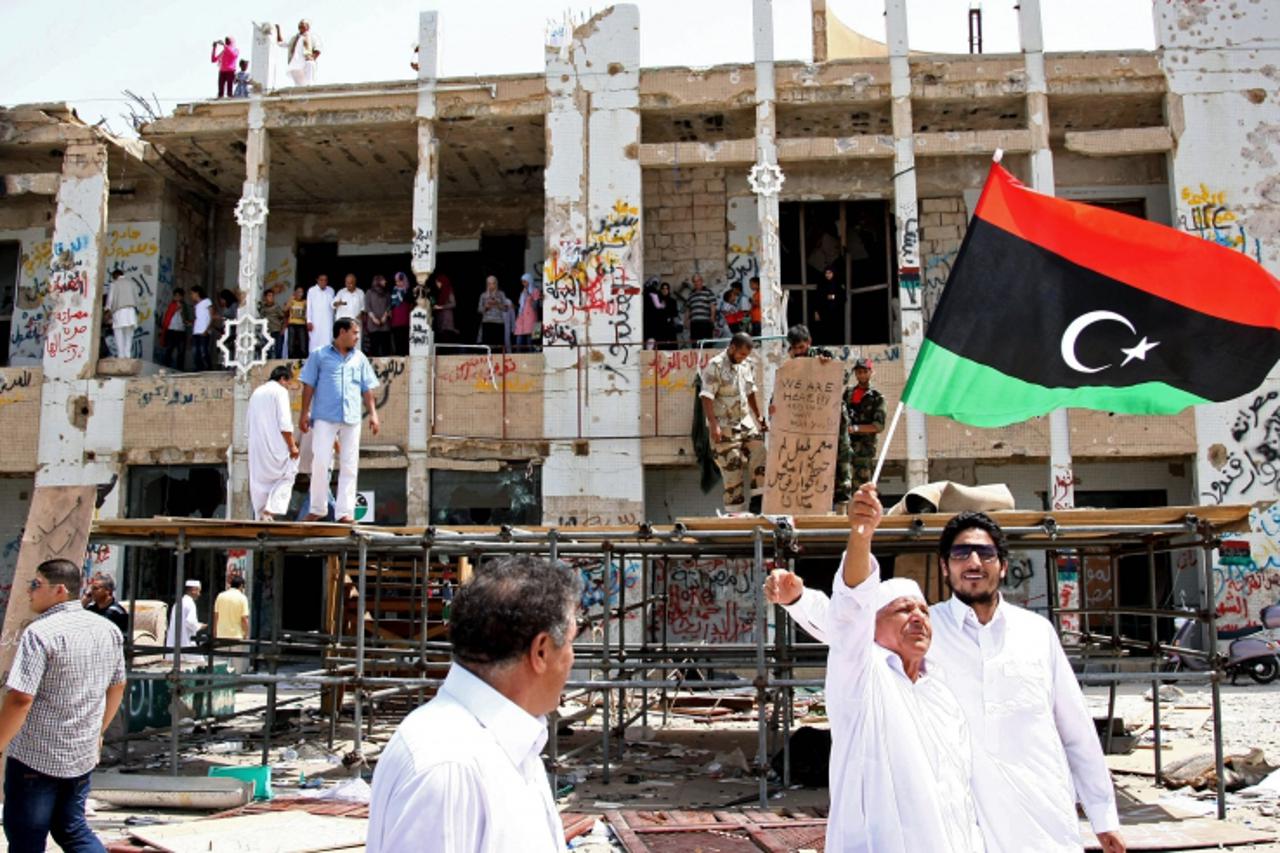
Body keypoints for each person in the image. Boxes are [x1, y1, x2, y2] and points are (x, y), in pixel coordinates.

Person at [767, 509, 1127, 853]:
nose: (973, 563)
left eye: (985, 553)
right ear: (944, 567)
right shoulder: (924, 635)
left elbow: (1075, 729)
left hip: (1041, 817)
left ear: (1002, 566)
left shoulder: (1036, 632)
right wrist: (799, 599)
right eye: (960, 554)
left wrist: (1103, 814)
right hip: (967, 824)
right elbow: (848, 627)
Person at [796, 486, 984, 851]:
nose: (918, 617)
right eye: (902, 610)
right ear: (872, 626)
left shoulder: (941, 692)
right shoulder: (864, 677)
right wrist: (862, 533)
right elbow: (848, 611)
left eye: (924, 611)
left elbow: (958, 792)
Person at [368, 556, 580, 852]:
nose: (572, 658)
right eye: (571, 642)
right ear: (541, 652)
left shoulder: (509, 746)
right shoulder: (449, 766)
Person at [0, 559, 126, 853]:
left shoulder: (40, 632)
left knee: (26, 839)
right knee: (72, 829)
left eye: (36, 585)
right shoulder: (106, 629)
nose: (29, 591)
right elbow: (118, 686)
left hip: (36, 757)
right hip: (80, 755)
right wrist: (98, 732)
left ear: (59, 590)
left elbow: (21, 698)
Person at [299, 317, 381, 523]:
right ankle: (317, 508)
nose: (357, 337)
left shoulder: (360, 358)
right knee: (320, 462)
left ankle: (345, 513)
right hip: (324, 417)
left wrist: (373, 413)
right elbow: (308, 385)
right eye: (354, 333)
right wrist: (304, 413)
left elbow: (367, 388)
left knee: (350, 464)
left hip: (352, 417)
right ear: (342, 332)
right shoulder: (319, 355)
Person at [777, 324, 852, 510]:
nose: (798, 352)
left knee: (841, 461)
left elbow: (842, 377)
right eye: (794, 348)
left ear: (809, 343)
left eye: (801, 347)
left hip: (832, 419)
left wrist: (825, 365)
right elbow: (783, 390)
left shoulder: (822, 355)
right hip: (806, 424)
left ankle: (842, 508)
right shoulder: (790, 364)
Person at [699, 332, 767, 513]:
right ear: (732, 347)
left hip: (745, 422)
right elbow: (706, 397)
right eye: (741, 354)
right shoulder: (715, 366)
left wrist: (759, 416)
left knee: (760, 452)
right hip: (725, 426)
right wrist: (713, 425)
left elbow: (750, 391)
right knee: (733, 471)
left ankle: (758, 501)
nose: (743, 358)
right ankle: (735, 514)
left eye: (746, 355)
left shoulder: (745, 365)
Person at [247, 365, 300, 521]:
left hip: (256, 447)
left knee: (259, 482)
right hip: (276, 446)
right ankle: (270, 510)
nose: (288, 388)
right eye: (289, 383)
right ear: (283, 379)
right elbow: (285, 423)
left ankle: (261, 515)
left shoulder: (256, 392)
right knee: (289, 472)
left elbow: (247, 423)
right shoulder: (279, 391)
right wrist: (292, 446)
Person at [846, 357, 886, 490]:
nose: (861, 375)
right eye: (858, 372)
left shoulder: (877, 397)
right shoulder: (848, 393)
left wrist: (856, 428)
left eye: (864, 371)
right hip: (846, 447)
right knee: (845, 484)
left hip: (864, 450)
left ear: (871, 372)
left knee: (863, 485)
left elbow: (878, 426)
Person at [213, 574, 251, 674]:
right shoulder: (242, 598)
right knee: (237, 662)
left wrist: (215, 633)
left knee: (220, 662)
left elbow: (216, 616)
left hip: (221, 634)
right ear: (241, 586)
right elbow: (244, 619)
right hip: (236, 635)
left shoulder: (220, 596)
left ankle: (218, 684)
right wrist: (246, 634)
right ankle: (236, 684)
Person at [82, 571, 130, 636]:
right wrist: (83, 604)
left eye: (95, 588)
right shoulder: (90, 608)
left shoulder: (117, 612)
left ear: (108, 590)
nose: (91, 592)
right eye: (91, 588)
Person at [276, 20, 320, 87]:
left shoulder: (312, 37)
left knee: (310, 66)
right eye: (299, 24)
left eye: (302, 24)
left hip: (306, 62)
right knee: (299, 85)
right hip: (295, 63)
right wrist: (278, 30)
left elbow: (318, 49)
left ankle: (309, 87)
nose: (300, 25)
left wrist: (312, 58)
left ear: (307, 27)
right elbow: (281, 43)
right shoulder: (294, 38)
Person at [166, 579, 204, 653]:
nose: (199, 594)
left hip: (174, 645)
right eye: (198, 591)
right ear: (193, 590)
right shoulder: (190, 603)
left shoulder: (178, 603)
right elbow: (190, 622)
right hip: (186, 644)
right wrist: (200, 626)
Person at [107, 269, 138, 359]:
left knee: (118, 333)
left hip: (119, 311)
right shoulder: (132, 283)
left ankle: (121, 355)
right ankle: (127, 354)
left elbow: (110, 300)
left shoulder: (114, 284)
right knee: (129, 335)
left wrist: (108, 310)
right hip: (131, 312)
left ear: (114, 276)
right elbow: (137, 299)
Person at [812, 265, 846, 346]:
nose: (827, 275)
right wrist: (816, 312)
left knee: (836, 331)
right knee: (823, 331)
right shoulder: (821, 284)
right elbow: (817, 298)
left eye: (830, 273)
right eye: (826, 273)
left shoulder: (838, 284)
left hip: (836, 313)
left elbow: (843, 297)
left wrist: (833, 297)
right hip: (824, 313)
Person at [477, 276, 511, 349]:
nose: (491, 286)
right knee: (487, 346)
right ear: (487, 284)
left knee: (498, 347)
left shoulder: (501, 294)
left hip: (499, 323)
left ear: (496, 284)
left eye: (493, 283)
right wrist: (486, 307)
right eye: (489, 284)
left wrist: (497, 303)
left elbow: (506, 308)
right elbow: (479, 310)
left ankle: (498, 360)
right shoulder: (483, 295)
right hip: (487, 322)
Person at [306, 274, 335, 353]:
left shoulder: (331, 290)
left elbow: (333, 306)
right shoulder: (312, 290)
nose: (323, 282)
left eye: (325, 280)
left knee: (328, 340)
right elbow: (309, 306)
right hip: (315, 322)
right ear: (317, 280)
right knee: (315, 341)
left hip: (328, 322)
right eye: (321, 280)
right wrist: (309, 321)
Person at [684, 274, 717, 343]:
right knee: (695, 344)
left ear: (701, 281)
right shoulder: (691, 294)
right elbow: (688, 309)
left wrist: (712, 317)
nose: (696, 283)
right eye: (694, 281)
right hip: (694, 324)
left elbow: (713, 306)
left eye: (698, 281)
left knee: (706, 344)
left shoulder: (708, 292)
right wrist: (686, 321)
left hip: (705, 323)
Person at [364, 275, 392, 357]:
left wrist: (384, 316)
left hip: (384, 323)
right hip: (373, 323)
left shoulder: (386, 292)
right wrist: (374, 318)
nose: (385, 282)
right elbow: (367, 306)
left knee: (385, 347)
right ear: (378, 281)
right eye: (383, 280)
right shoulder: (369, 292)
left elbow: (389, 305)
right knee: (374, 347)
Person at [159, 287, 186, 369]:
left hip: (181, 331)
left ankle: (179, 369)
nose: (177, 298)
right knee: (169, 350)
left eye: (179, 296)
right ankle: (166, 368)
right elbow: (167, 317)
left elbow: (187, 318)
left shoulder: (185, 306)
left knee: (181, 352)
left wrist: (181, 310)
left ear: (182, 297)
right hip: (171, 330)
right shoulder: (171, 305)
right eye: (175, 296)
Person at [513, 273, 541, 351]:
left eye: (525, 282)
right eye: (522, 282)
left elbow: (536, 306)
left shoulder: (535, 290)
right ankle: (518, 357)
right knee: (518, 338)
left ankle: (531, 357)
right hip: (522, 317)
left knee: (531, 339)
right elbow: (521, 305)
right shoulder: (523, 292)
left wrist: (530, 295)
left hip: (532, 317)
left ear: (529, 281)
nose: (523, 284)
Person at [390, 272, 413, 355]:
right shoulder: (394, 291)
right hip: (396, 320)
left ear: (404, 281)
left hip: (405, 320)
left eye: (400, 281)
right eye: (396, 281)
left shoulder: (408, 291)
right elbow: (391, 305)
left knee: (405, 339)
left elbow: (411, 305)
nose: (398, 283)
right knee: (397, 339)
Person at [190, 286, 213, 371]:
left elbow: (211, 316)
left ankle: (208, 368)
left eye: (192, 293)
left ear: (197, 293)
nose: (191, 295)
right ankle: (199, 368)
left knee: (204, 351)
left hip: (204, 331)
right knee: (196, 352)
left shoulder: (207, 301)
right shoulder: (196, 306)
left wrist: (207, 329)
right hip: (196, 331)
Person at [260, 288, 286, 359]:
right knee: (267, 349)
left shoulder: (276, 307)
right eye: (269, 296)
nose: (271, 297)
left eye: (272, 296)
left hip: (277, 330)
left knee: (278, 349)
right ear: (265, 297)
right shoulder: (263, 308)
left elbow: (283, 317)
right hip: (267, 331)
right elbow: (261, 318)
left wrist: (283, 329)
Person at [430, 273, 457, 345]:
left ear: (442, 282)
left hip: (447, 321)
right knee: (441, 340)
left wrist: (441, 307)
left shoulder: (449, 291)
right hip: (441, 320)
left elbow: (453, 304)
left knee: (446, 340)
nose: (437, 285)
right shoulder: (441, 292)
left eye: (438, 282)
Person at [286, 285, 308, 358]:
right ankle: (290, 358)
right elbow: (285, 309)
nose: (300, 294)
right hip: (292, 324)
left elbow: (310, 312)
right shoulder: (292, 301)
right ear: (294, 292)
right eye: (298, 292)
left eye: (301, 292)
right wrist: (290, 300)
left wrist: (306, 305)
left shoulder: (304, 302)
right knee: (291, 343)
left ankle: (304, 358)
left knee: (303, 343)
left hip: (302, 325)